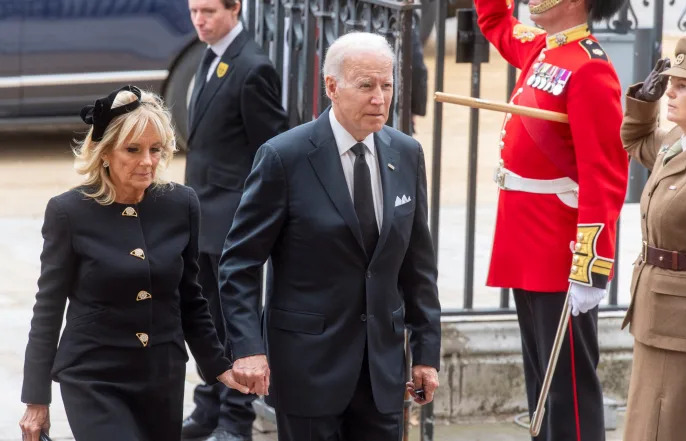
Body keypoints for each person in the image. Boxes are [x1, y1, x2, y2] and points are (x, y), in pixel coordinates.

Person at [217, 31, 441, 441]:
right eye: (366, 85)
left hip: (382, 372)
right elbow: (239, 263)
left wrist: (426, 354)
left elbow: (418, 266)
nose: (380, 98)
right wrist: (248, 347)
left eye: (387, 85)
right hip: (308, 368)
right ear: (332, 87)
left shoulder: (406, 154)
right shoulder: (285, 157)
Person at [18, 86, 245, 441]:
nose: (148, 161)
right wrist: (36, 400)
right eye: (133, 150)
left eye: (156, 150)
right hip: (93, 376)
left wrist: (218, 366)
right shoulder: (68, 212)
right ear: (105, 152)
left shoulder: (181, 205)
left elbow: (190, 299)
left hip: (162, 376)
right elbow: (47, 308)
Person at [473, 0, 629, 438]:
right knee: (541, 384)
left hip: (561, 248)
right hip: (525, 239)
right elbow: (496, 21)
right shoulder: (543, 47)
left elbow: (605, 174)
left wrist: (590, 265)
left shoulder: (589, 68)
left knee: (569, 392)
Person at [183, 0, 288, 440]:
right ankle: (208, 408)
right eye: (193, 11)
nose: (199, 20)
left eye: (208, 11)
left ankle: (235, 419)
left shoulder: (252, 67)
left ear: (235, 8)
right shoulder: (209, 58)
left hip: (232, 220)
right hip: (203, 217)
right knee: (206, 319)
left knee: (234, 322)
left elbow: (273, 150)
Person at [621, 37, 686, 441]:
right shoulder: (678, 142)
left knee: (671, 428)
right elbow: (635, 142)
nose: (670, 91)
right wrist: (644, 103)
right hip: (657, 316)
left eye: (683, 85)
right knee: (647, 424)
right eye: (669, 82)